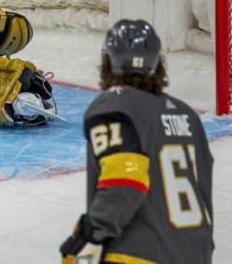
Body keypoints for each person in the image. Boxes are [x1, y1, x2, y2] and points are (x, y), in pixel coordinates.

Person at [60, 19, 214, 264]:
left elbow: (125, 180)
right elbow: (203, 189)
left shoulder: (114, 106)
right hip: (196, 253)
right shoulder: (187, 115)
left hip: (137, 255)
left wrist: (90, 234)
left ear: (108, 63)